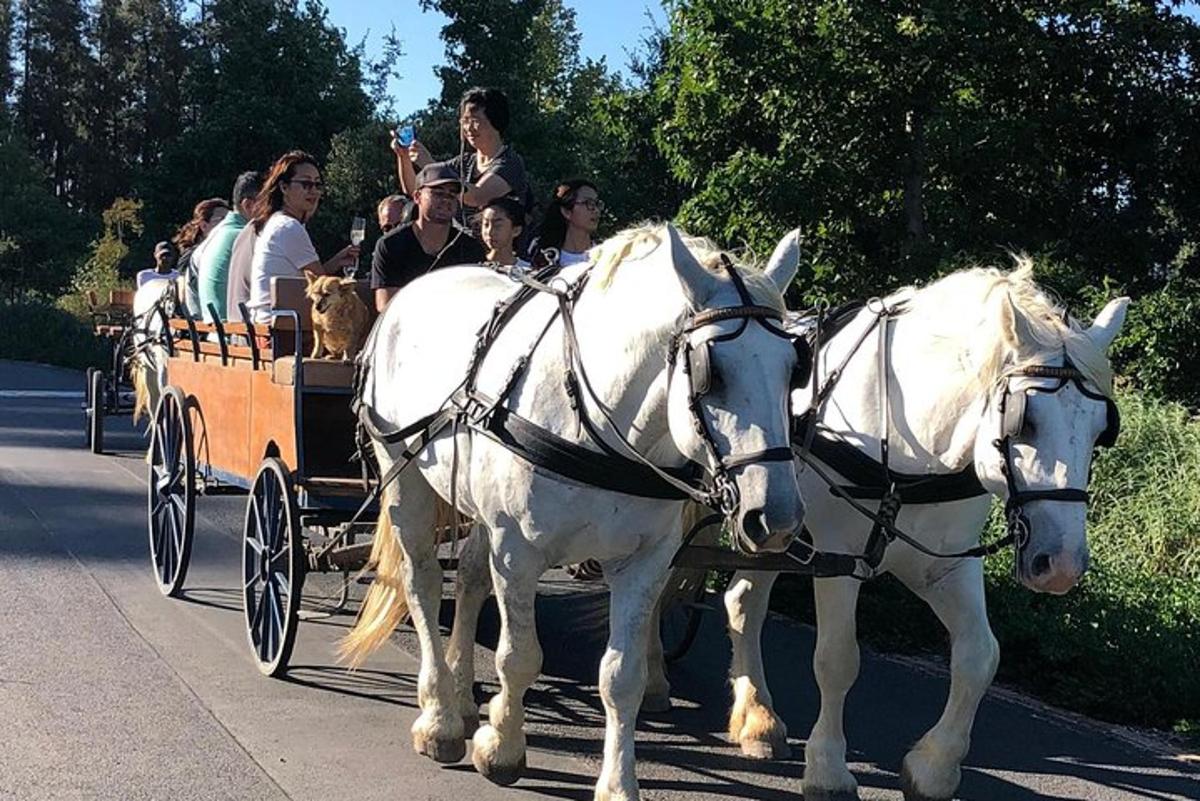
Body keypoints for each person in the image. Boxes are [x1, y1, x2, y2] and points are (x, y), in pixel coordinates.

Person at [245, 150, 359, 324]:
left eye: (318, 185)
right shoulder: (288, 227)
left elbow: (316, 282)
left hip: (272, 327)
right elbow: (323, 288)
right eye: (306, 184)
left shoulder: (276, 223)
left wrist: (336, 262)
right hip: (285, 332)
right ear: (284, 187)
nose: (314, 191)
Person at [392, 87, 533, 223]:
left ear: (496, 122)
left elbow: (478, 196)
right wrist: (403, 157)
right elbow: (414, 190)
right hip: (463, 247)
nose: (468, 128)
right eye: (465, 121)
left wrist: (430, 166)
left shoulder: (509, 163)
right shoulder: (463, 162)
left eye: (475, 121)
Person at [370, 163, 486, 313]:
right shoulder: (390, 245)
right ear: (417, 197)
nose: (446, 199)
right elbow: (386, 306)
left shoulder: (470, 248)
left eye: (452, 194)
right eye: (438, 193)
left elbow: (478, 302)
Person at [196, 171, 262, 322]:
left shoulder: (217, 233)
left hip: (214, 333)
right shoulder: (246, 236)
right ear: (248, 205)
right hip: (236, 336)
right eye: (270, 202)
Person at [173, 198, 230, 318]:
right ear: (204, 225)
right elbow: (182, 293)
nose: (227, 225)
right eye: (222, 220)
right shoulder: (191, 255)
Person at [529, 179, 603, 267]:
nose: (596, 210)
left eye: (597, 203)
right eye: (588, 203)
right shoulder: (544, 256)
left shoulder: (606, 255)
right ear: (566, 212)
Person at [479, 196, 529, 270]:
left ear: (516, 231)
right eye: (486, 224)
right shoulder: (473, 266)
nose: (490, 232)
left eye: (497, 226)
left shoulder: (527, 271)